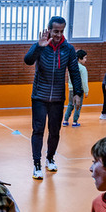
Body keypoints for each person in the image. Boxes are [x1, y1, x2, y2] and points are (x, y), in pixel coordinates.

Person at [24, 16, 84, 180]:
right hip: (39, 97)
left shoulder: (68, 49)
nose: (58, 35)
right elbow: (28, 60)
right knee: (38, 131)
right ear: (49, 29)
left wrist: (78, 93)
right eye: (55, 31)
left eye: (61, 31)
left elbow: (74, 72)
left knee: (55, 132)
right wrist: (38, 46)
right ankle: (37, 164)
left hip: (57, 98)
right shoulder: (41, 46)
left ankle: (50, 158)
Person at [64, 49, 90, 127]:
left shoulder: (71, 67)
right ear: (79, 58)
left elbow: (69, 79)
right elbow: (84, 82)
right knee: (78, 106)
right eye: (85, 58)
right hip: (79, 90)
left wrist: (70, 87)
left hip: (71, 90)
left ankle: (65, 120)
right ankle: (75, 122)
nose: (86, 60)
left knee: (70, 105)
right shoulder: (83, 68)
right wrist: (86, 91)